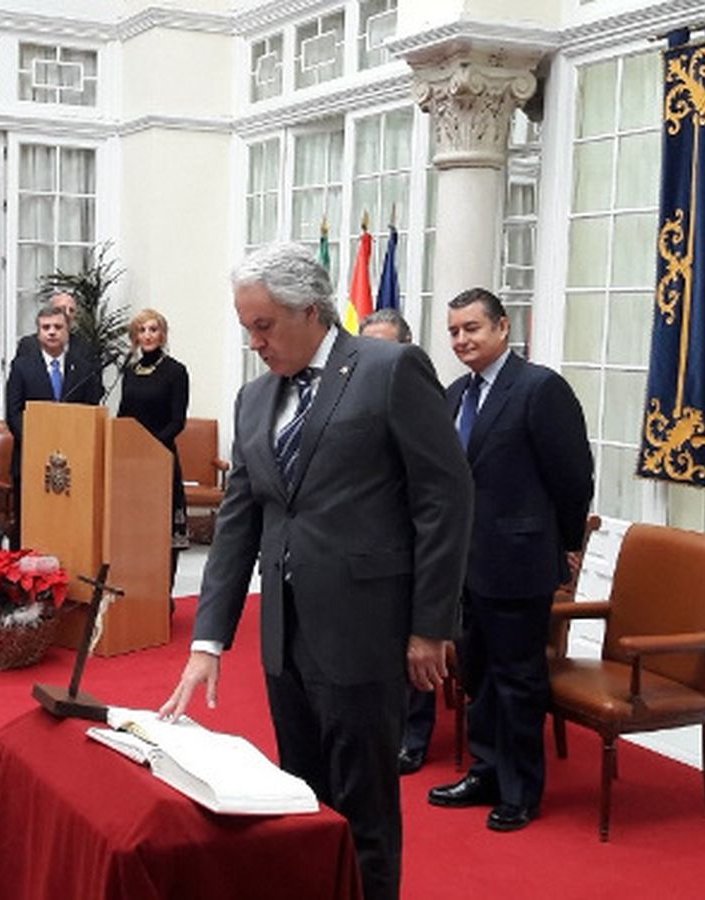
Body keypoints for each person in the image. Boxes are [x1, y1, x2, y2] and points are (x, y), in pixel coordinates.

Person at [158, 243, 473, 900]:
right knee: (298, 795)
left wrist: (430, 625)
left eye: (264, 325)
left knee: (364, 809)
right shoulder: (253, 399)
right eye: (246, 327)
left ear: (311, 310)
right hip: (286, 635)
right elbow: (239, 523)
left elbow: (445, 498)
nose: (254, 341)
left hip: (365, 633)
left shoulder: (389, 370)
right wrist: (207, 641)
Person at [426, 287, 594, 833]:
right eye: (453, 331)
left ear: (503, 329)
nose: (461, 340)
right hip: (465, 568)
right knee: (478, 676)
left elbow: (573, 476)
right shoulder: (453, 396)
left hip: (519, 562)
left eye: (472, 328)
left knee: (518, 679)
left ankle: (522, 789)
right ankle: (486, 771)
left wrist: (566, 544)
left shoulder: (539, 389)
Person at [359, 309, 440, 773]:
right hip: (371, 546)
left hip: (417, 547)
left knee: (417, 647)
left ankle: (414, 735)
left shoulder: (420, 393)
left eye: (388, 346)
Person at [115, 308, 189, 590]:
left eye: (153, 329)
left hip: (161, 460)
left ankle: (161, 596)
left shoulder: (175, 371)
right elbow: (124, 414)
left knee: (161, 532)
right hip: (131, 464)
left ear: (163, 334)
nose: (147, 335)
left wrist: (150, 449)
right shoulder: (130, 371)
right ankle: (135, 596)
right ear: (135, 337)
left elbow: (177, 420)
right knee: (135, 532)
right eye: (141, 330)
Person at [4, 304, 102, 508]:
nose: (52, 332)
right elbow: (14, 413)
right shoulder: (22, 367)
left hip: (73, 458)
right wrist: (38, 442)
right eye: (46, 327)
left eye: (58, 327)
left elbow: (90, 410)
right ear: (38, 332)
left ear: (67, 331)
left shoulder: (84, 369)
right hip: (31, 457)